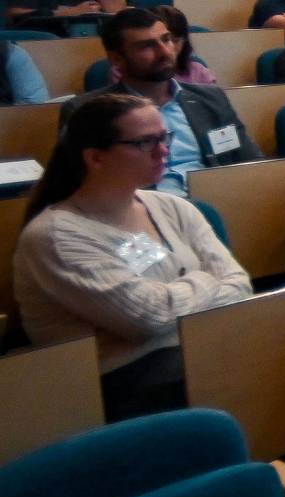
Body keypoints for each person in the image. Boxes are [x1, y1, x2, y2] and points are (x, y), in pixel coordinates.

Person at [15, 94, 252, 422]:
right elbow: (148, 319)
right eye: (145, 142)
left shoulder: (173, 207)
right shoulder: (55, 237)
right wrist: (205, 279)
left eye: (164, 137)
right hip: (114, 387)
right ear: (96, 158)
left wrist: (174, 300)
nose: (163, 150)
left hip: (192, 352)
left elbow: (240, 287)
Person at [66, 8, 263, 196]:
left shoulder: (210, 98)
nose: (164, 52)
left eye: (166, 39)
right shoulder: (87, 112)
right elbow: (78, 186)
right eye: (147, 46)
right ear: (117, 59)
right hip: (140, 213)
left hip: (218, 201)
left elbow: (251, 162)